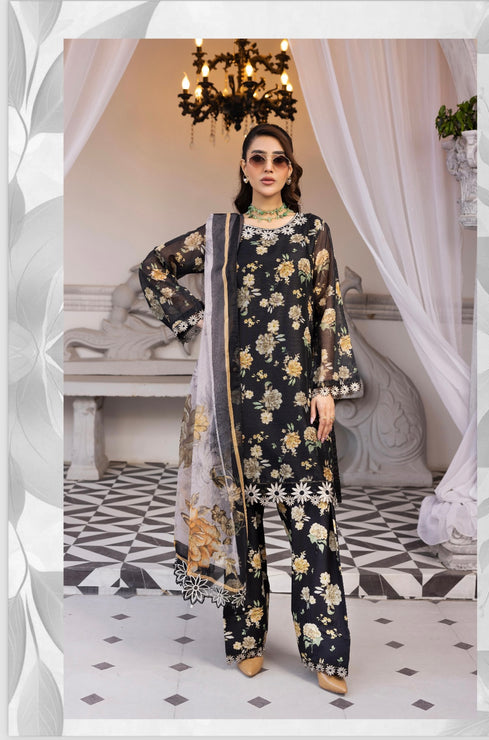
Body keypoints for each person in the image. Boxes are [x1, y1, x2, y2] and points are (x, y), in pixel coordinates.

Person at [139, 123, 362, 695]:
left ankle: (327, 654)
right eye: (258, 159)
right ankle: (246, 642)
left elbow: (327, 309)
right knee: (245, 530)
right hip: (236, 406)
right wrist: (200, 322)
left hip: (298, 404)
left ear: (290, 170)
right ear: (243, 167)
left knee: (313, 529)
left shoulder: (312, 231)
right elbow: (154, 266)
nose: (268, 168)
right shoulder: (223, 235)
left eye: (278, 160)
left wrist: (326, 386)